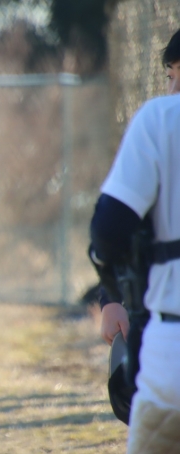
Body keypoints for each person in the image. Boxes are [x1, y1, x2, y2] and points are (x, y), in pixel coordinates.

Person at [89, 28, 180, 452]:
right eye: (170, 76)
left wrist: (116, 294)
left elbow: (109, 230)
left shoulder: (161, 118)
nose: (173, 89)